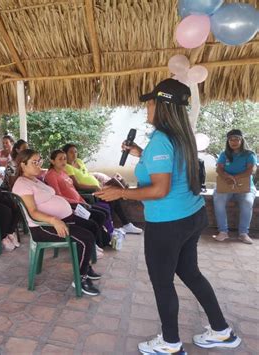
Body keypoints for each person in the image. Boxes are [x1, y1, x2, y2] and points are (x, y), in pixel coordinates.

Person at [96, 78, 241, 353]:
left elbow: (160, 189)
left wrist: (121, 194)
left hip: (168, 223)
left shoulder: (162, 140)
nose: (146, 108)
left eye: (150, 102)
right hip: (191, 215)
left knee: (162, 283)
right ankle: (222, 331)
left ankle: (171, 343)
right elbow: (169, 169)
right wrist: (141, 153)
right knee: (190, 273)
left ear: (161, 106)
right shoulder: (181, 135)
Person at [12, 149, 101, 296]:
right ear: (23, 165)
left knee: (92, 226)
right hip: (43, 227)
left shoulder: (34, 179)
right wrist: (54, 220)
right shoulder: (22, 184)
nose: (38, 165)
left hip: (62, 219)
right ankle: (81, 279)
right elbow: (32, 212)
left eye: (39, 161)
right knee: (86, 238)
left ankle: (85, 266)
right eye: (34, 162)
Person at [62, 143, 142, 235]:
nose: (74, 154)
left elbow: (86, 175)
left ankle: (124, 224)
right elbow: (77, 185)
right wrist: (95, 187)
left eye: (75, 152)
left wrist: (99, 183)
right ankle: (120, 225)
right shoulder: (67, 167)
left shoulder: (79, 161)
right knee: (111, 198)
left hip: (98, 187)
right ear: (65, 154)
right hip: (90, 191)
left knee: (115, 188)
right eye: (71, 152)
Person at [45, 149, 111, 252]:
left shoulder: (63, 172)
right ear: (52, 161)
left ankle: (99, 240)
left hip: (79, 203)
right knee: (98, 216)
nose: (63, 161)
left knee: (104, 212)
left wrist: (82, 201)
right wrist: (78, 203)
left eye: (64, 159)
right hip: (70, 206)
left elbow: (73, 190)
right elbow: (58, 196)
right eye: (60, 159)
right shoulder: (51, 175)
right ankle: (95, 243)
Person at [213, 129, 256, 244]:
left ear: (242, 140)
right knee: (218, 199)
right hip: (226, 185)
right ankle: (223, 231)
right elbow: (219, 169)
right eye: (231, 139)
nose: (234, 142)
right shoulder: (224, 154)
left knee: (247, 202)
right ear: (228, 141)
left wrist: (234, 178)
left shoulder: (249, 154)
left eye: (237, 139)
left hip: (245, 187)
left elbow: (250, 171)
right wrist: (226, 176)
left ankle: (243, 233)